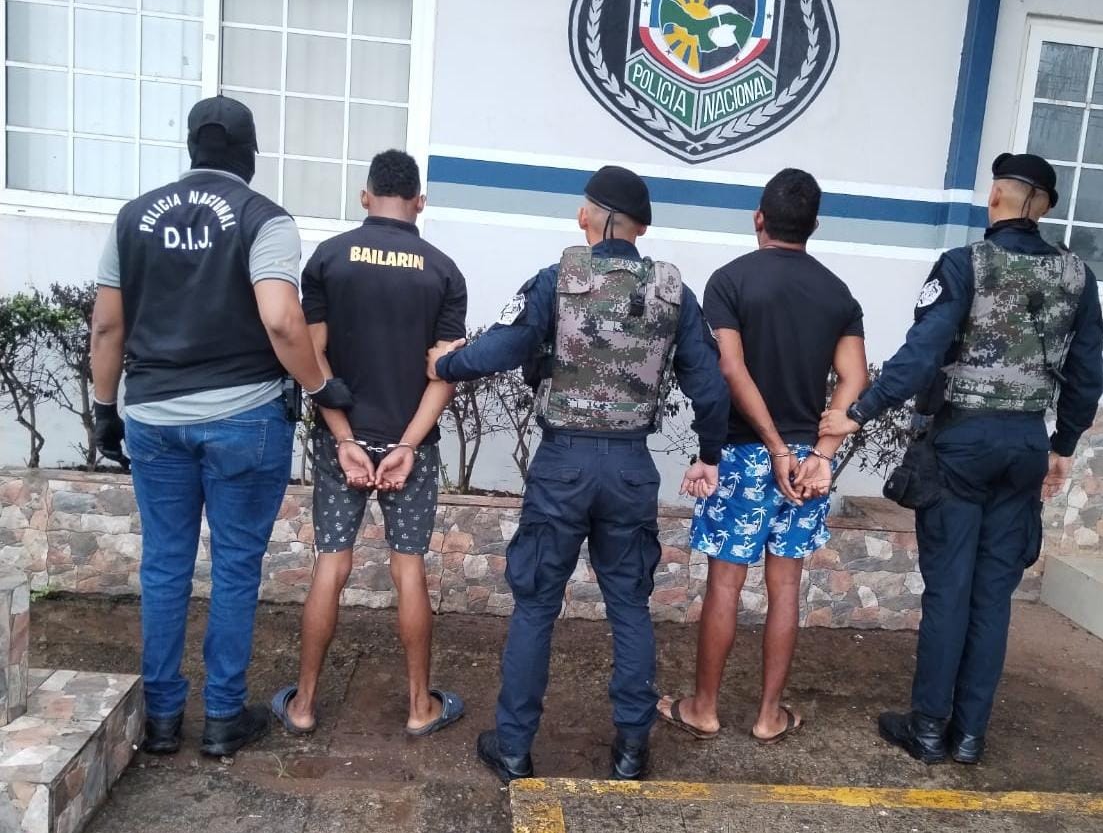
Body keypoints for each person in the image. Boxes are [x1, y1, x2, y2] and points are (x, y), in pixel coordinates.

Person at [429, 166, 729, 782]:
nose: (578, 216)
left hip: (563, 464)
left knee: (536, 605)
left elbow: (507, 345)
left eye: (582, 208)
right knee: (630, 606)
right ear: (640, 227)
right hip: (630, 468)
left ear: (591, 217)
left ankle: (514, 747)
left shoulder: (557, 278)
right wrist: (709, 454)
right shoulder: (673, 290)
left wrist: (447, 365)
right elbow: (710, 385)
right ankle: (632, 750)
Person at [89, 96, 354, 758]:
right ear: (248, 155)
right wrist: (321, 387)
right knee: (235, 568)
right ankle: (221, 719)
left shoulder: (131, 219)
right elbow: (282, 321)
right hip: (244, 418)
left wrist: (104, 409)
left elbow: (108, 327)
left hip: (154, 417)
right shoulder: (264, 218)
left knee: (164, 565)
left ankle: (160, 720)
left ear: (191, 148)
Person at [820, 153, 1103, 765]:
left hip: (962, 444)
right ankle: (970, 736)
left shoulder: (963, 264)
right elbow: (1086, 375)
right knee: (992, 597)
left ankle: (928, 728)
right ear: (1044, 207)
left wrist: (859, 412)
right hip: (1025, 443)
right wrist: (1063, 445)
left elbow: (922, 353)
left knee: (949, 591)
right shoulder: (1078, 277)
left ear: (996, 197)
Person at [659, 168, 869, 744]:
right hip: (807, 465)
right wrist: (820, 451)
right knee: (786, 588)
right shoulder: (837, 293)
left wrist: (774, 446)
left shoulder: (730, 281)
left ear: (759, 218)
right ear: (814, 226)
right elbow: (855, 379)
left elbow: (730, 368)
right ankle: (769, 715)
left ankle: (703, 708)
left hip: (746, 454)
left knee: (725, 585)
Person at [271, 150, 468, 738]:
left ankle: (304, 705)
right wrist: (407, 444)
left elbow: (312, 356)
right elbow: (444, 373)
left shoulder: (329, 259)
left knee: (331, 563)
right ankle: (419, 708)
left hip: (342, 443)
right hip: (413, 447)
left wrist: (343, 437)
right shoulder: (444, 271)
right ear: (419, 203)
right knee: (409, 569)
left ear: (365, 196)